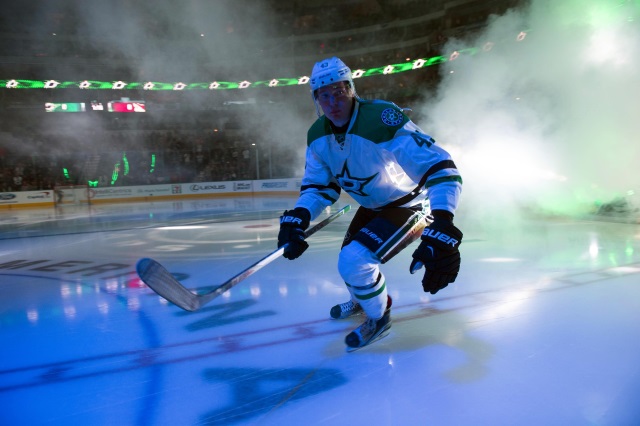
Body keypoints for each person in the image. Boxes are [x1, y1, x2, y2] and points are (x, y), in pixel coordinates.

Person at [278, 57, 463, 350]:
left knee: (355, 260)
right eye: (324, 95)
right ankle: (362, 301)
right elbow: (319, 187)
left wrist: (443, 219)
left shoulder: (382, 118)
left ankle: (380, 317)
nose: (332, 101)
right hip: (374, 206)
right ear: (316, 99)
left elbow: (439, 167)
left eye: (338, 91)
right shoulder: (316, 135)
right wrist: (299, 216)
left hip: (410, 205)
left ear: (351, 89)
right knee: (348, 262)